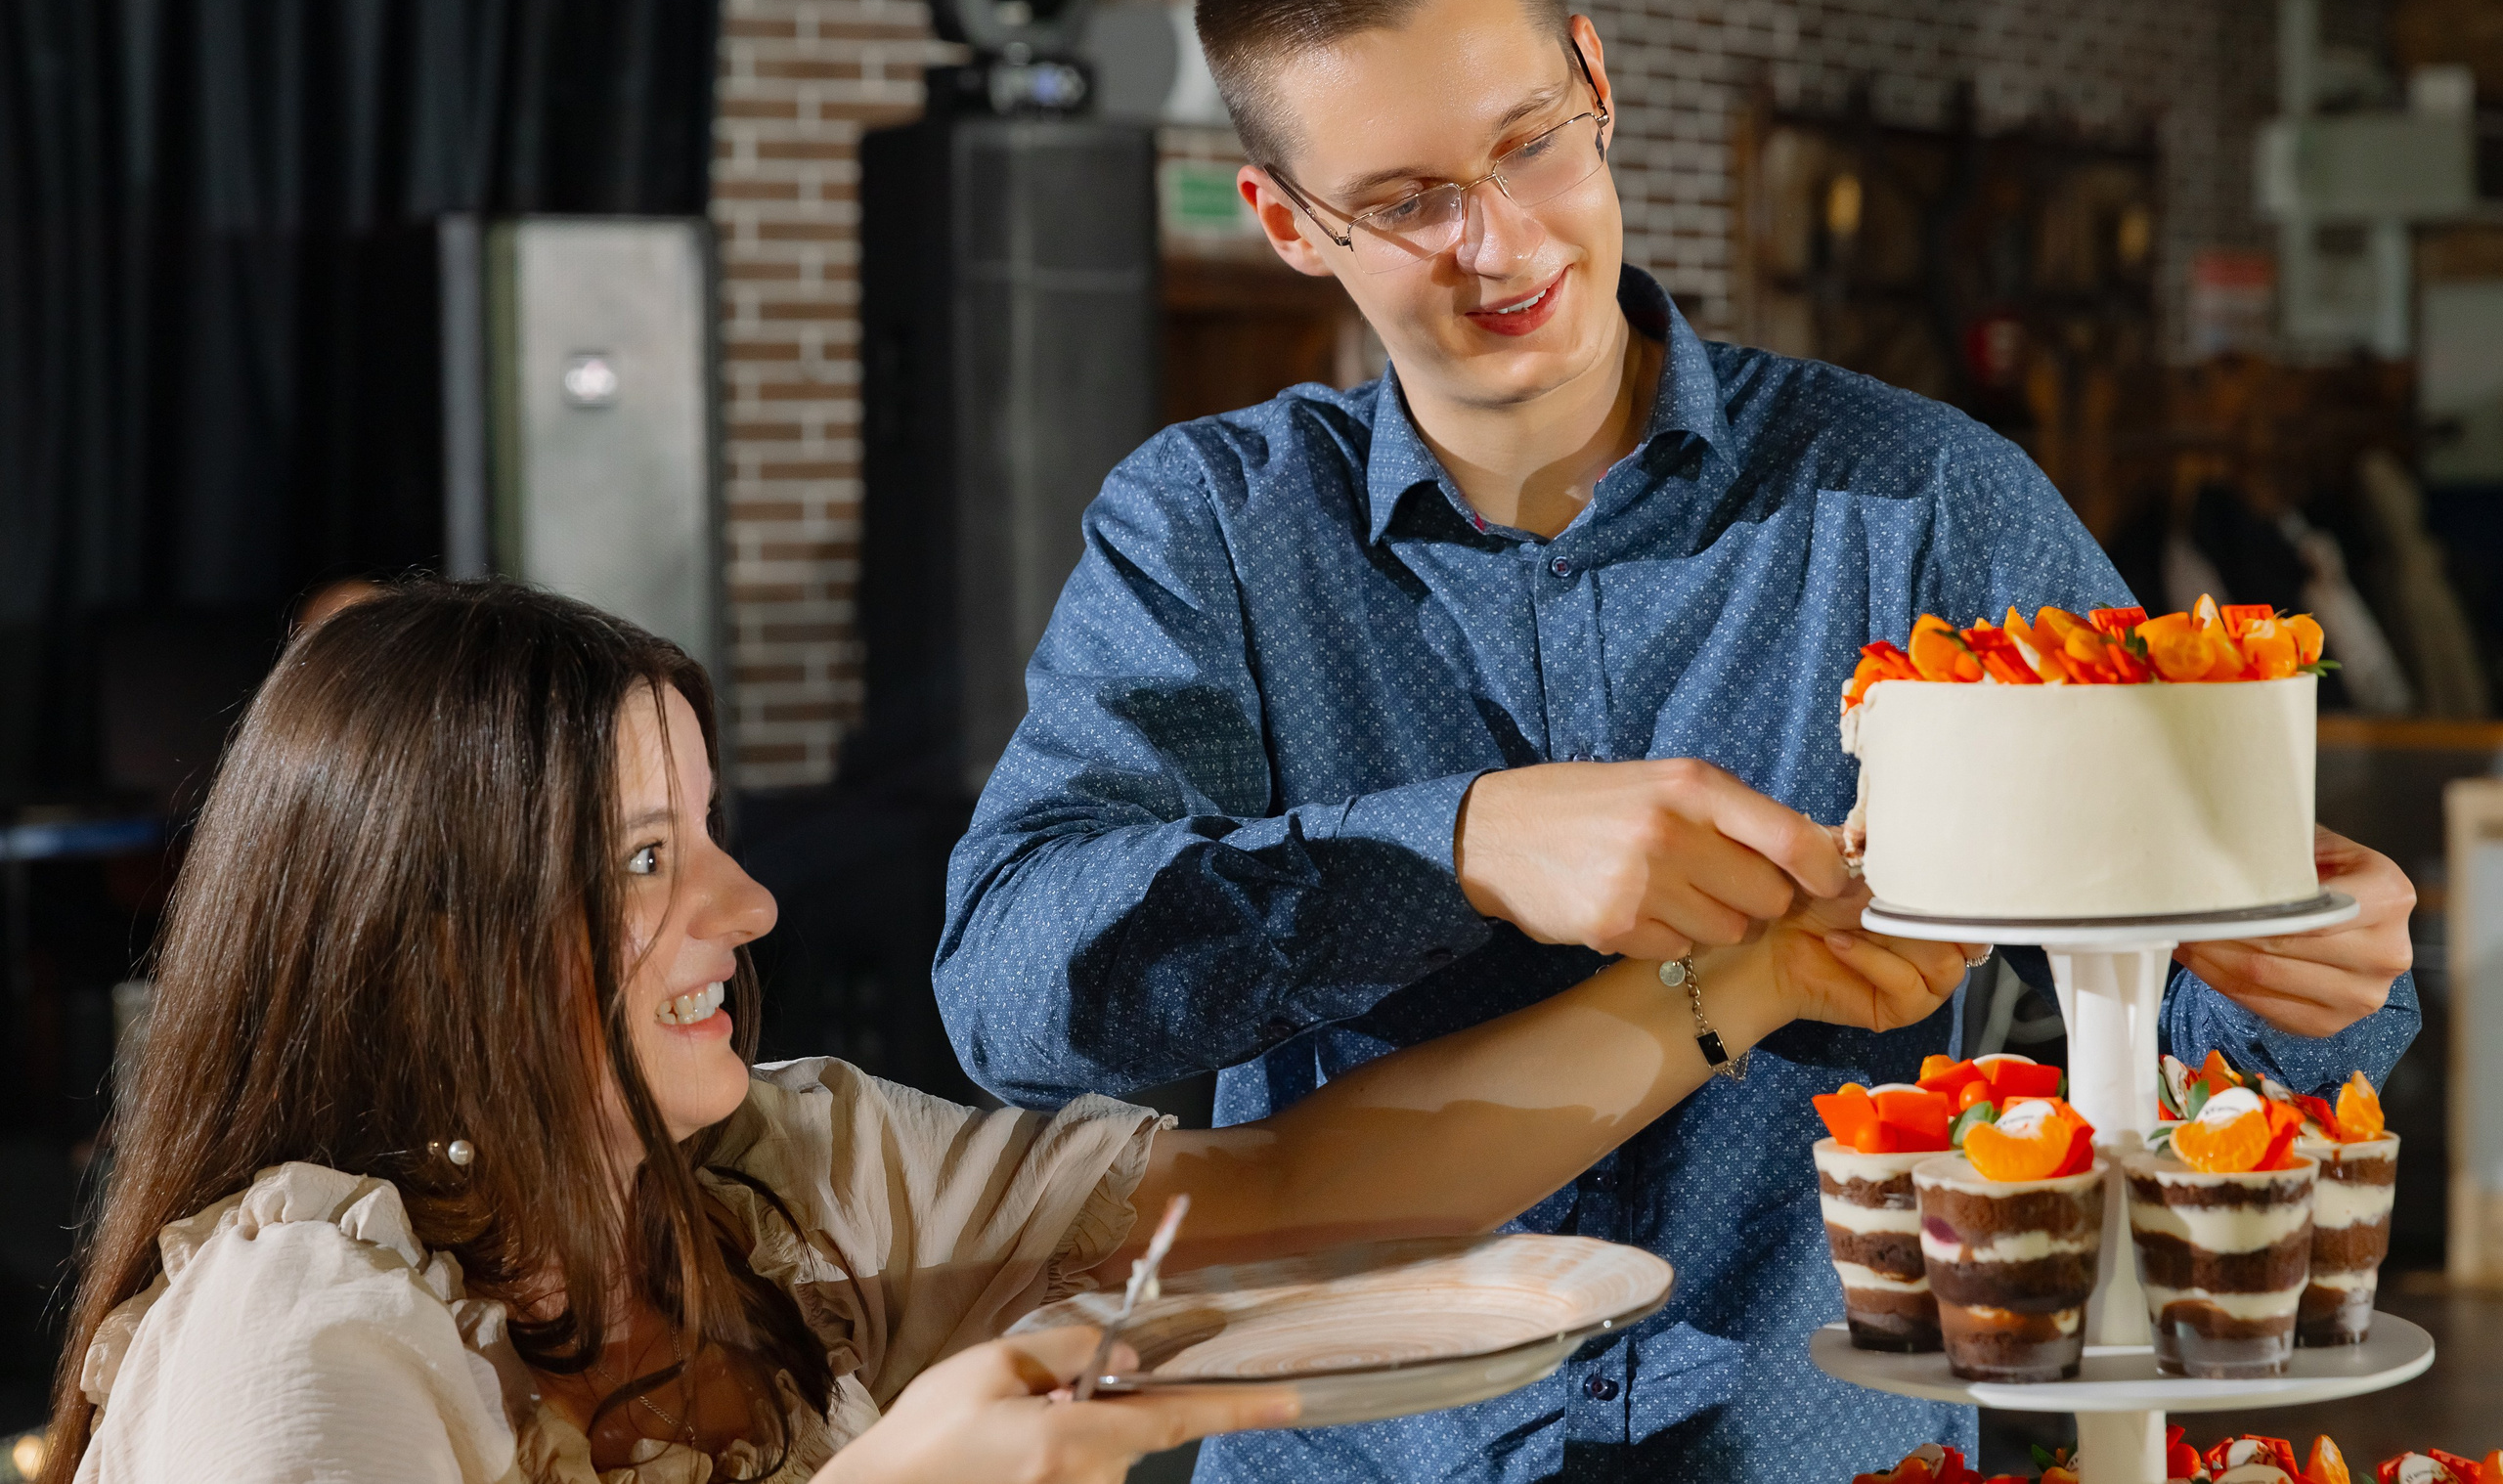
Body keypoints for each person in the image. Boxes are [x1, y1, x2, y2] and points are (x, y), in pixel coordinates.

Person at [934, 0, 2423, 1482]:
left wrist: (2319, 979)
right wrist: (1457, 846)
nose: (1501, 243)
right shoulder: (1213, 526)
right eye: (1410, 202)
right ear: (1290, 224)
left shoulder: (1923, 501)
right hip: (1353, 1454)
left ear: (1595, 79)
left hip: (1822, 1446)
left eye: (1528, 144)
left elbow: (2214, 1015)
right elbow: (1010, 993)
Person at [44, 580, 1975, 1484]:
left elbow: (1284, 1188)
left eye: (709, 830)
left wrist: (1745, 982)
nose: (746, 904)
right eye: (645, 859)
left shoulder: (776, 1173)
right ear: (432, 933)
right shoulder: (304, 1325)